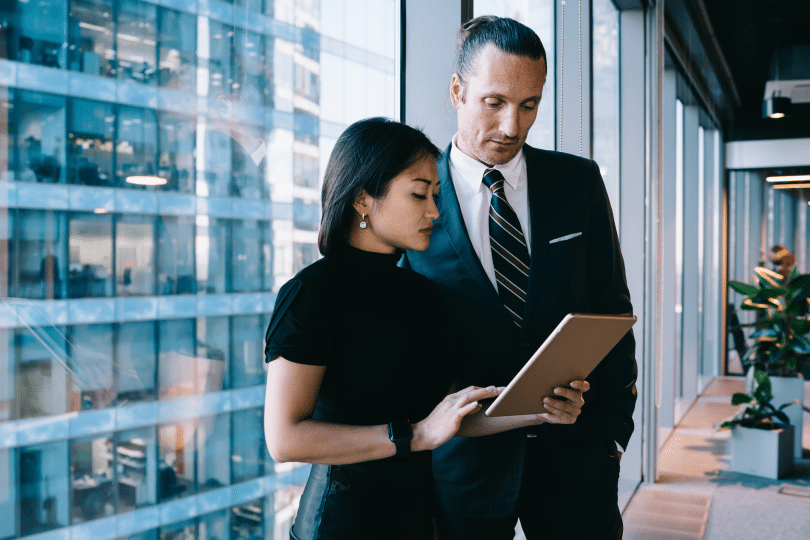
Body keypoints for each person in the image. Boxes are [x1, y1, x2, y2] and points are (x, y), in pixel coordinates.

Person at [262, 117, 588, 540]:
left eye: (436, 194)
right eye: (419, 194)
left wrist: (539, 407)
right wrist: (413, 436)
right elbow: (285, 439)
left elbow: (448, 419)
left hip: (421, 518)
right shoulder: (311, 293)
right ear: (362, 198)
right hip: (344, 524)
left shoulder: (420, 293)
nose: (434, 211)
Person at [402, 17, 637, 540]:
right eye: (495, 102)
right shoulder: (414, 197)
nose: (513, 125)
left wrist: (614, 431)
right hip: (464, 469)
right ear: (458, 92)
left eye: (529, 105)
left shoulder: (577, 183)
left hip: (577, 459)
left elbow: (613, 309)